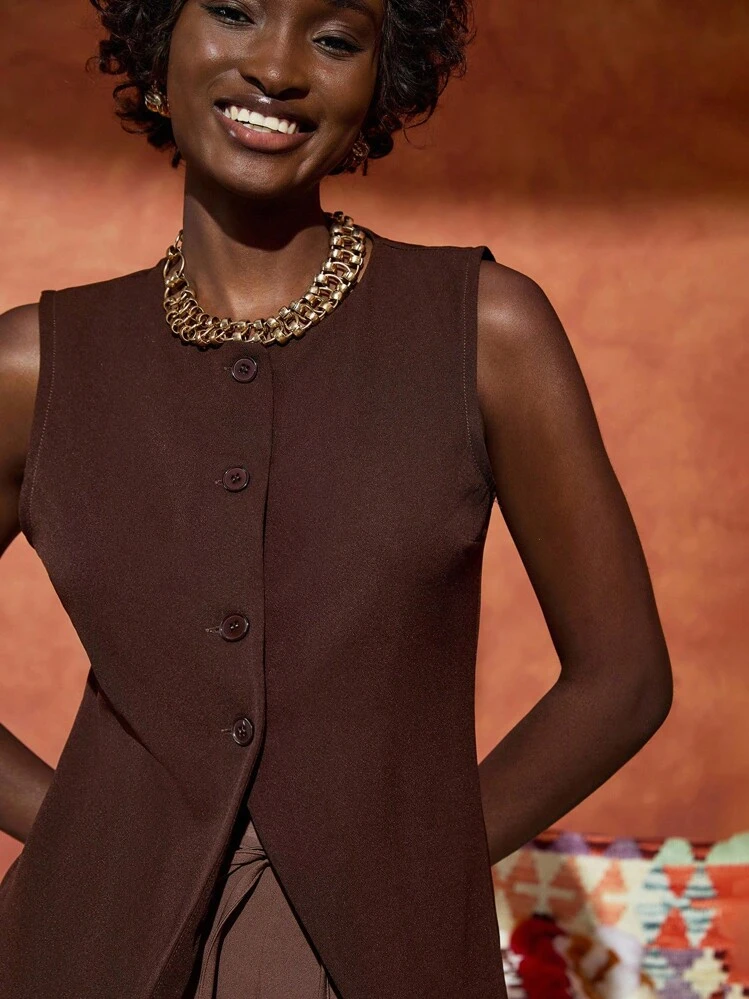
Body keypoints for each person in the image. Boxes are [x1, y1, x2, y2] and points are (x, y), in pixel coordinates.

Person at [0, 1, 673, 997]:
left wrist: (415, 856)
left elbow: (621, 680)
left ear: (378, 88)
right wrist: (86, 828)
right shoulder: (36, 366)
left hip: (382, 960)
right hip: (80, 950)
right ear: (156, 48)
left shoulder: (483, 332)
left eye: (333, 39)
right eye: (234, 10)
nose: (276, 67)